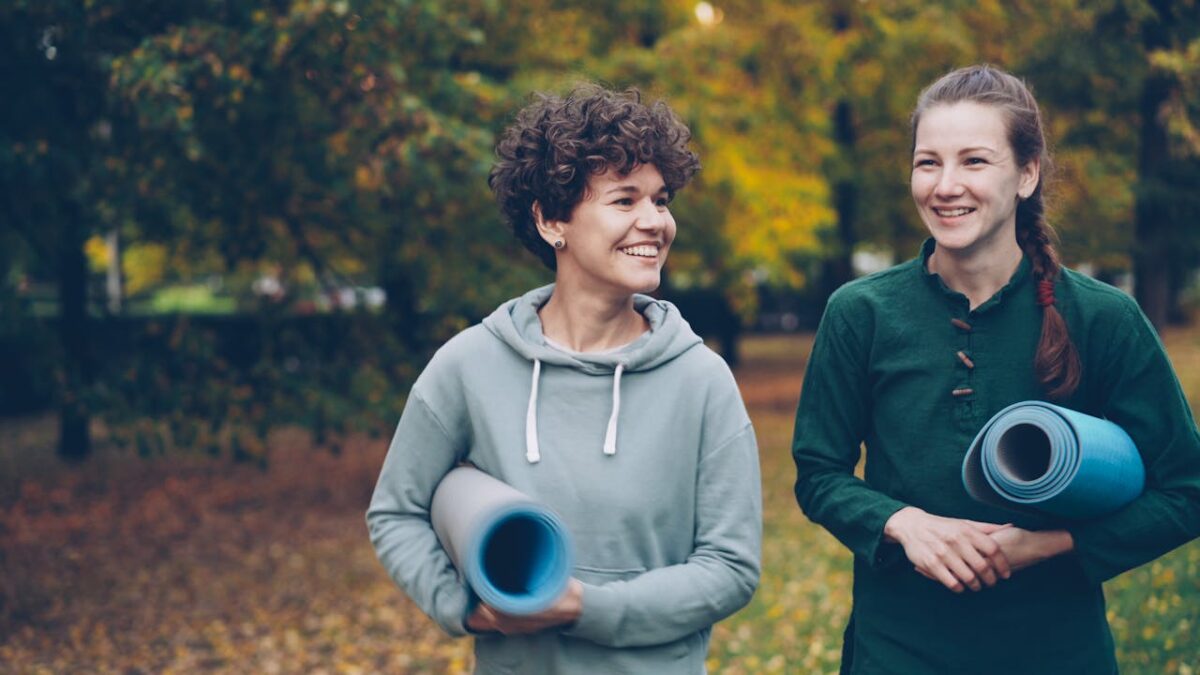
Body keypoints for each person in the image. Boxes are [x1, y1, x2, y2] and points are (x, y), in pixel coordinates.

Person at [791, 64, 1200, 674]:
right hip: (897, 650)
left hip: (1056, 651)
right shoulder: (861, 312)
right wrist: (903, 523)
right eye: (928, 162)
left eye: (974, 161)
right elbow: (819, 473)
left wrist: (1050, 546)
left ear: (1027, 175)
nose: (945, 185)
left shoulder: (1103, 318)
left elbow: (1185, 491)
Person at [367, 85, 761, 674]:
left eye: (661, 199)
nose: (654, 222)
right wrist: (463, 609)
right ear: (553, 220)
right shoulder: (469, 364)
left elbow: (731, 569)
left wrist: (585, 607)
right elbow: (395, 512)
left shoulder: (702, 380)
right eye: (625, 200)